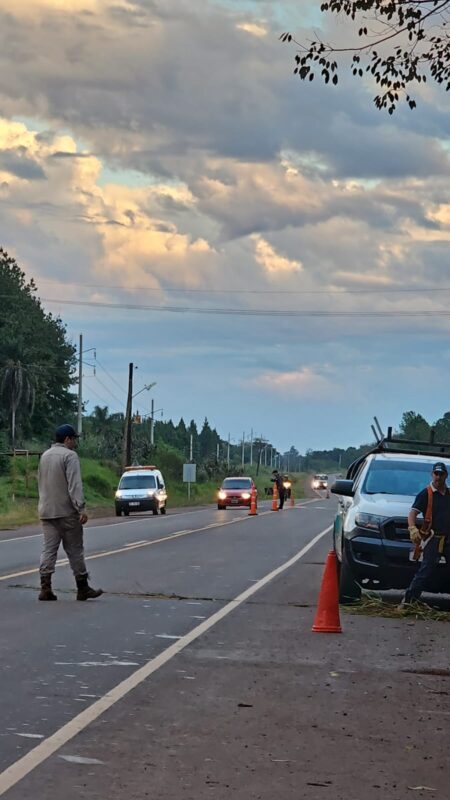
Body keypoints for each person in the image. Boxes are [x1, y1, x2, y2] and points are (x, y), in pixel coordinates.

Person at [37, 423, 103, 602]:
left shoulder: (45, 456)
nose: (75, 442)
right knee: (75, 550)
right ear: (67, 439)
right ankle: (82, 588)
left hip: (46, 510)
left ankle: (45, 588)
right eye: (74, 439)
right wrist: (80, 508)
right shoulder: (70, 456)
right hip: (66, 512)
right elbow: (74, 485)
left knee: (49, 549)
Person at [401, 461, 450, 606]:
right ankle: (408, 602)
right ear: (432, 474)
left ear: (446, 475)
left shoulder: (449, 494)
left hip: (449, 539)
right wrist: (412, 528)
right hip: (433, 538)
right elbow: (413, 513)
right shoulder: (426, 494)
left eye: (441, 474)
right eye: (436, 474)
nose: (438, 477)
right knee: (425, 571)